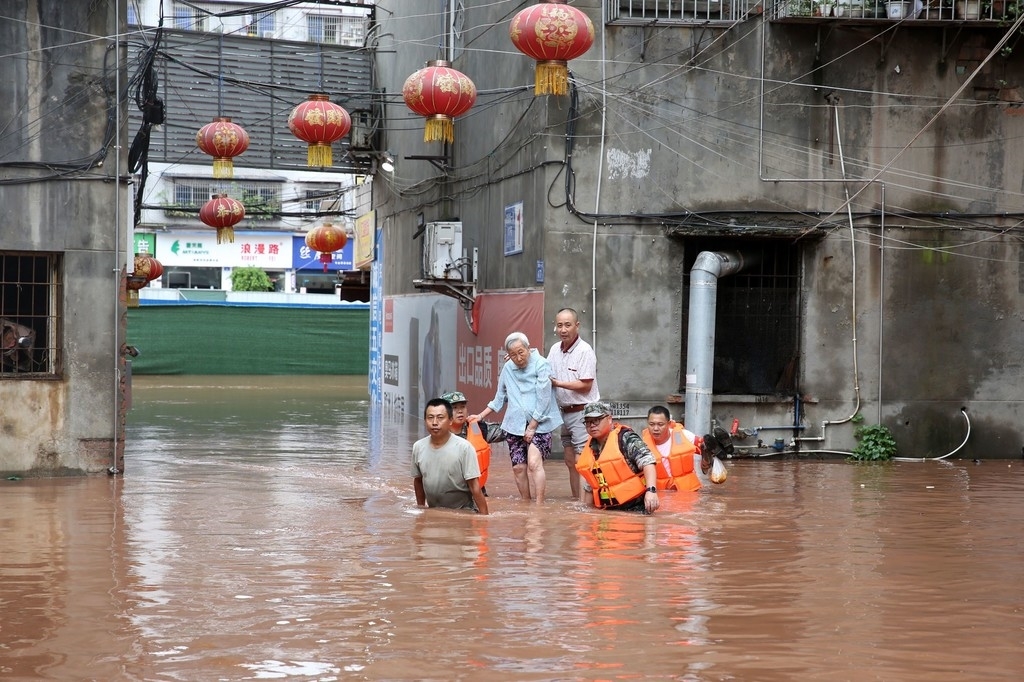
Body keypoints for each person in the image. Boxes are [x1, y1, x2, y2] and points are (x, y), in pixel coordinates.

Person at [473, 332, 562, 504]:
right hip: (514, 424)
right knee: (518, 468)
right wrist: (481, 415)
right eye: (513, 354)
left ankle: (539, 506)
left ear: (529, 348)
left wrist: (532, 426)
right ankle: (526, 503)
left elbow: (544, 398)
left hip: (540, 423)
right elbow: (500, 397)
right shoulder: (508, 367)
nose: (518, 357)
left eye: (521, 352)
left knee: (534, 463)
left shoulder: (541, 364)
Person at [547, 308, 600, 501]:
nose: (563, 329)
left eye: (568, 325)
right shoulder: (554, 349)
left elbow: (586, 385)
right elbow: (542, 370)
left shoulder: (584, 350)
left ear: (577, 326)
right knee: (570, 461)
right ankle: (576, 501)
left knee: (582, 460)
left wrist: (558, 383)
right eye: (559, 325)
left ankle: (586, 503)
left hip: (583, 413)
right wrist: (518, 358)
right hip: (564, 413)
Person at [575, 401, 660, 514]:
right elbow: (591, 484)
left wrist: (651, 491)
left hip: (637, 509)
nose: (592, 425)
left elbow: (648, 461)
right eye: (588, 422)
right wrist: (586, 513)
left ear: (609, 419)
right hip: (609, 511)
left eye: (596, 420)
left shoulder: (625, 438)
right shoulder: (591, 447)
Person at [412, 398, 489, 514]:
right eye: (430, 417)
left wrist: (484, 518)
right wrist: (421, 509)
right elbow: (418, 481)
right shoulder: (418, 447)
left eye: (440, 418)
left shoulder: (465, 448)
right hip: (433, 512)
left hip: (462, 513)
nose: (434, 422)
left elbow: (475, 487)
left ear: (450, 421)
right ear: (425, 421)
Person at [441, 390, 506, 495]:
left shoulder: (477, 428)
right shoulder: (439, 435)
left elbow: (506, 432)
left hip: (477, 493)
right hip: (450, 494)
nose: (460, 411)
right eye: (454, 408)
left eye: (462, 407)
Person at [641, 406, 701, 492]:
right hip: (660, 495)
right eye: (652, 424)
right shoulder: (642, 445)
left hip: (687, 494)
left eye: (660, 424)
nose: (655, 429)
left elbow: (706, 447)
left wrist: (706, 462)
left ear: (669, 424)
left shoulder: (684, 436)